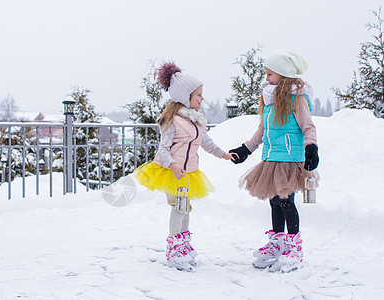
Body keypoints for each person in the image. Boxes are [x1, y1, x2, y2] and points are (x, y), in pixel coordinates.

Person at [134, 62, 233, 271]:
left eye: (201, 94)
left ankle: (184, 245)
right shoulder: (173, 121)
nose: (202, 99)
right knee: (179, 209)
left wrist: (223, 154)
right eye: (198, 95)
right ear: (184, 97)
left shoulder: (197, 120)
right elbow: (163, 149)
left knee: (186, 209)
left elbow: (206, 142)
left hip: (189, 172)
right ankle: (173, 247)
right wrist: (172, 166)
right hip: (172, 172)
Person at [229, 51, 319, 272]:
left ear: (284, 74)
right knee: (275, 202)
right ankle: (278, 241)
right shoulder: (270, 100)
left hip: (289, 160)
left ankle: (294, 245)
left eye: (270, 74)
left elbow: (308, 127)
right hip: (271, 158)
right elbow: (262, 130)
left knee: (287, 201)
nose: (267, 78)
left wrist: (311, 148)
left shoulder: (297, 99)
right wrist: (246, 149)